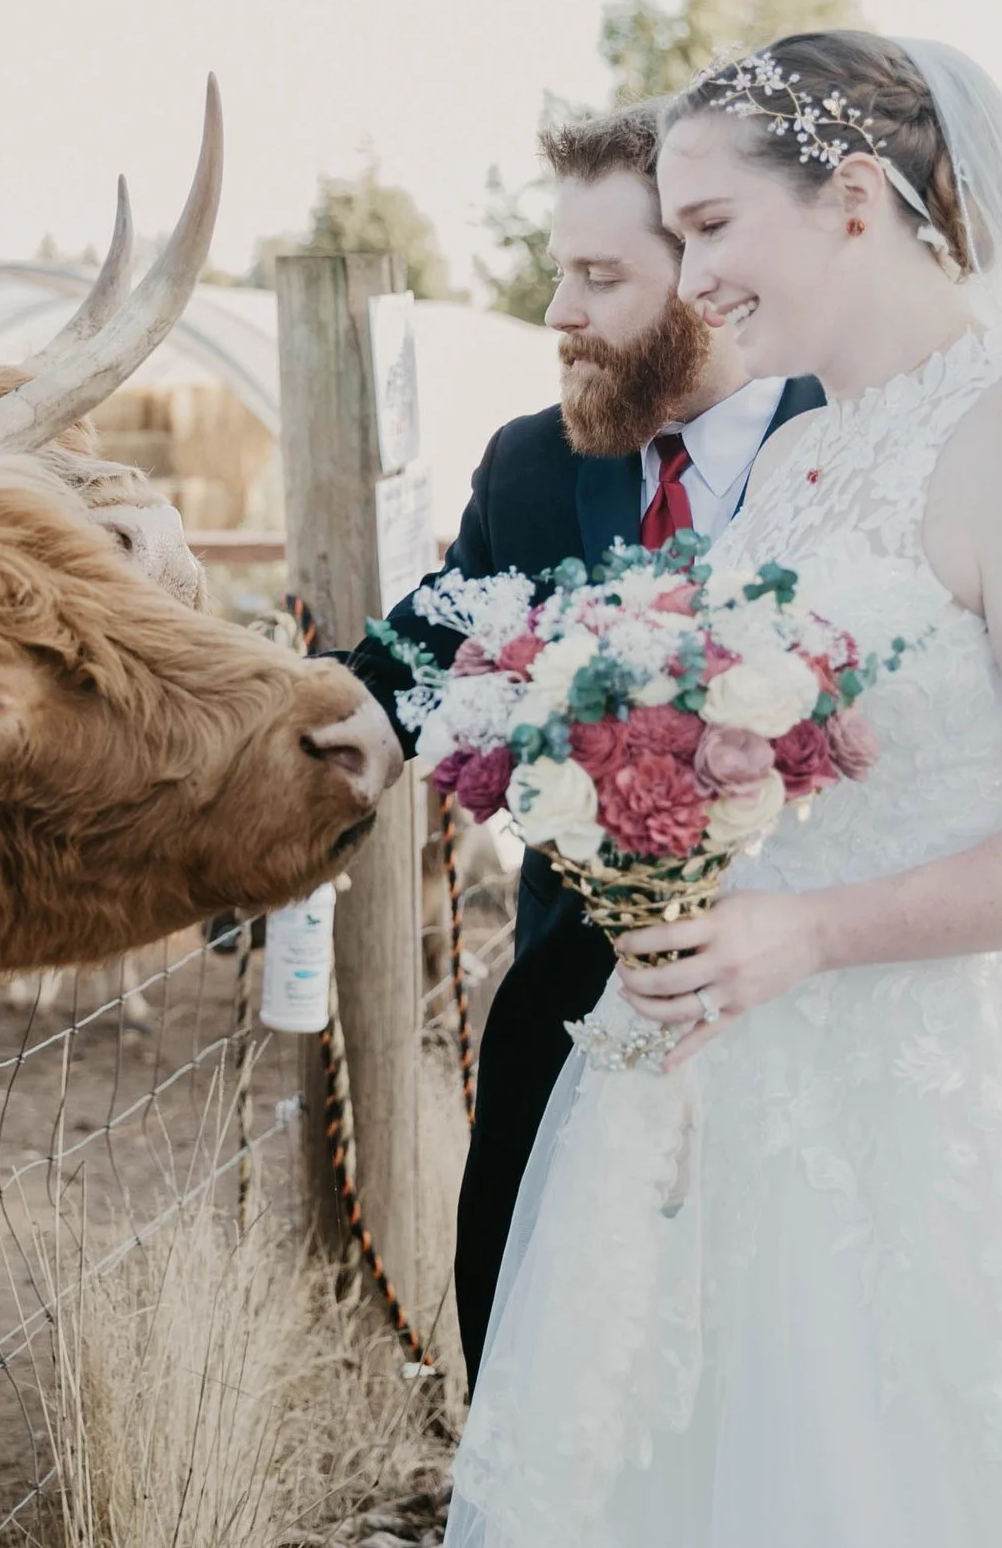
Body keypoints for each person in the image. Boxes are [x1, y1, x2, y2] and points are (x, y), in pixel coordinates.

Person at [445, 32, 1002, 1547]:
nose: (691, 276)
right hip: (733, 1090)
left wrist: (816, 934)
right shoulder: (803, 459)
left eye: (711, 228)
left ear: (853, 195)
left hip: (949, 1107)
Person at [342, 103, 821, 1388]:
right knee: (533, 1363)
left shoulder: (863, 447)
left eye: (600, 277)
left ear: (712, 279)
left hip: (822, 1024)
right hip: (572, 1014)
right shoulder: (529, 469)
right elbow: (404, 669)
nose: (559, 310)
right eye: (560, 270)